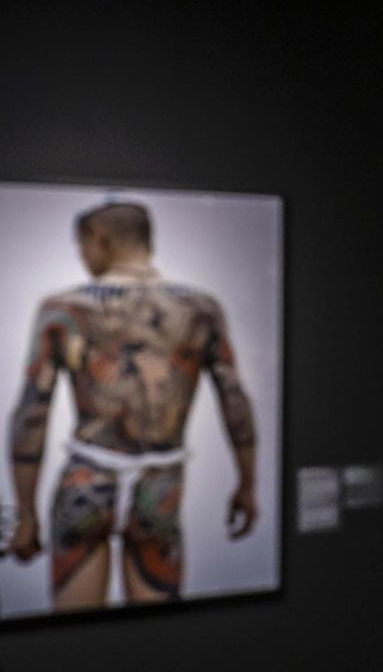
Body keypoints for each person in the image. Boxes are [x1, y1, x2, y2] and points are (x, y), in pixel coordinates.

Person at [7, 201, 257, 611]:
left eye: (82, 247)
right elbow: (235, 401)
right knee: (156, 637)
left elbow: (32, 414)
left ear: (99, 238)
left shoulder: (62, 310)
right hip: (159, 491)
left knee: (72, 635)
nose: (83, 258)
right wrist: (247, 486)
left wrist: (25, 515)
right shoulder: (202, 310)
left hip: (86, 488)